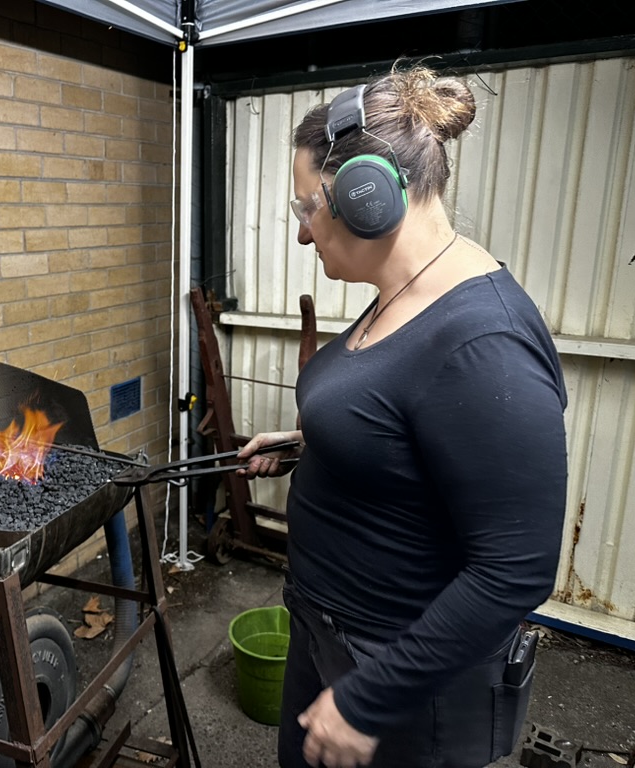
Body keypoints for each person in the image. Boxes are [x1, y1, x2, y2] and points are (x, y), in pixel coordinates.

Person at [236, 64, 568, 768]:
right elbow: (403, 422)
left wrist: (369, 699)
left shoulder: (486, 344)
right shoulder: (403, 292)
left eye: (306, 208)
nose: (303, 235)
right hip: (327, 635)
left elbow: (516, 569)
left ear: (366, 195)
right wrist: (318, 443)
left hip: (400, 681)